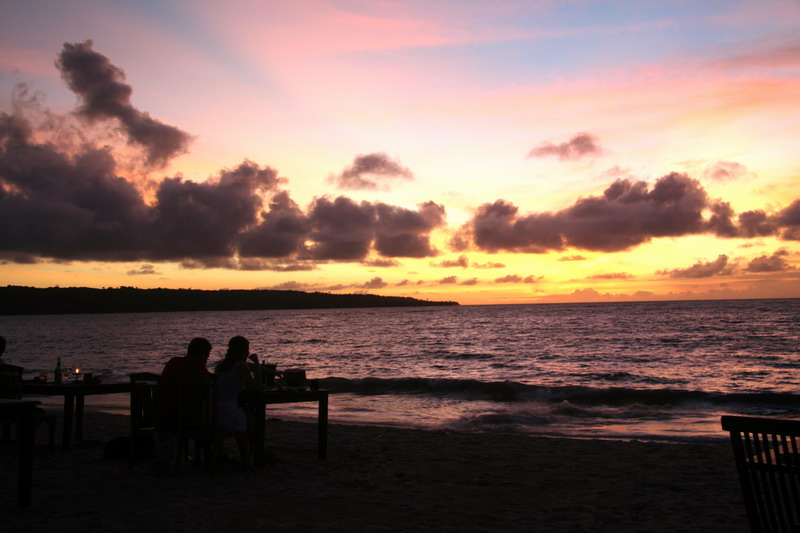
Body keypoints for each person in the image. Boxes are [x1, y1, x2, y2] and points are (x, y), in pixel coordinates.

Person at [214, 336, 262, 464]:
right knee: (249, 417)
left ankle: (219, 455)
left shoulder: (221, 367)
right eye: (247, 349)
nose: (248, 352)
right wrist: (257, 365)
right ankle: (247, 458)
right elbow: (257, 389)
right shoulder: (241, 367)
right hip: (229, 415)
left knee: (247, 412)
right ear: (243, 351)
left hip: (214, 414)